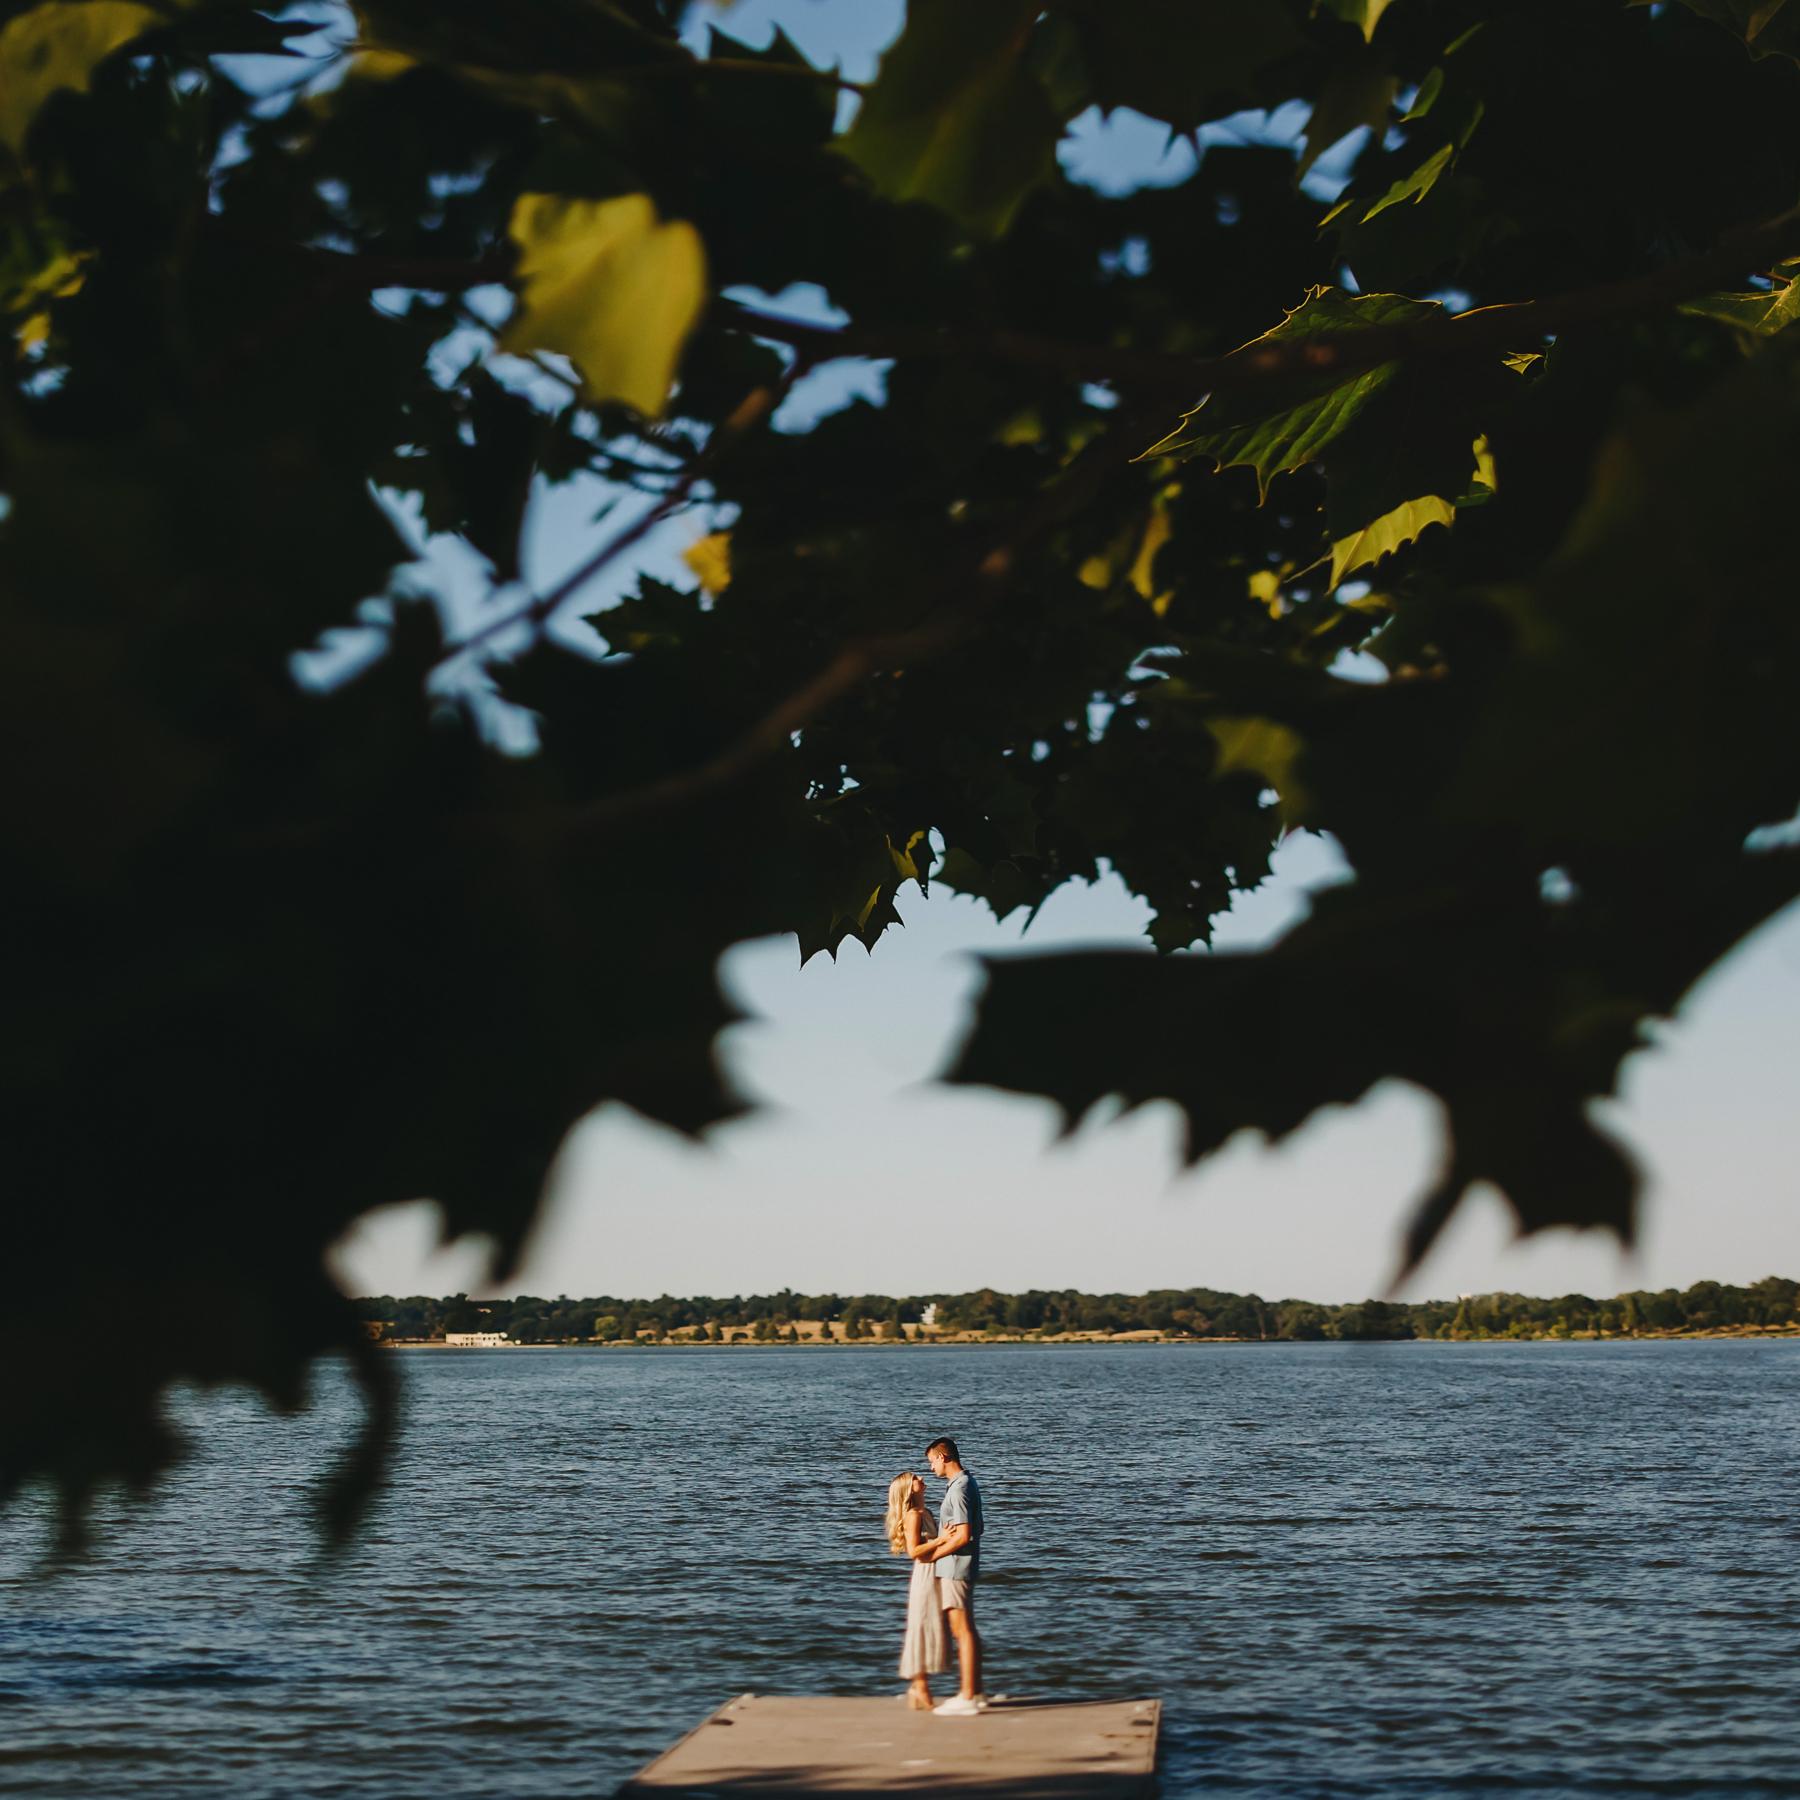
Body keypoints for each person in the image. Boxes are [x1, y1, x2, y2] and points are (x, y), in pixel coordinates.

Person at [921, 1435, 984, 1715]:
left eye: (931, 1461)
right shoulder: (965, 1484)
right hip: (959, 1565)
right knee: (966, 1628)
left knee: (962, 1630)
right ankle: (976, 1692)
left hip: (956, 1566)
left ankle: (967, 1695)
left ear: (943, 1457)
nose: (930, 1468)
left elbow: (964, 1535)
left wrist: (931, 1556)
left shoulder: (959, 1489)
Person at [885, 1471, 948, 1709]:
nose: (921, 1478)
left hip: (936, 1572)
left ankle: (919, 1686)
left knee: (930, 1625)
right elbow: (913, 1551)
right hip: (925, 1574)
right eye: (915, 1478)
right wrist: (941, 1540)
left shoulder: (926, 1512)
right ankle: (920, 1685)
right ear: (909, 1488)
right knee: (921, 1626)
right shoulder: (913, 1515)